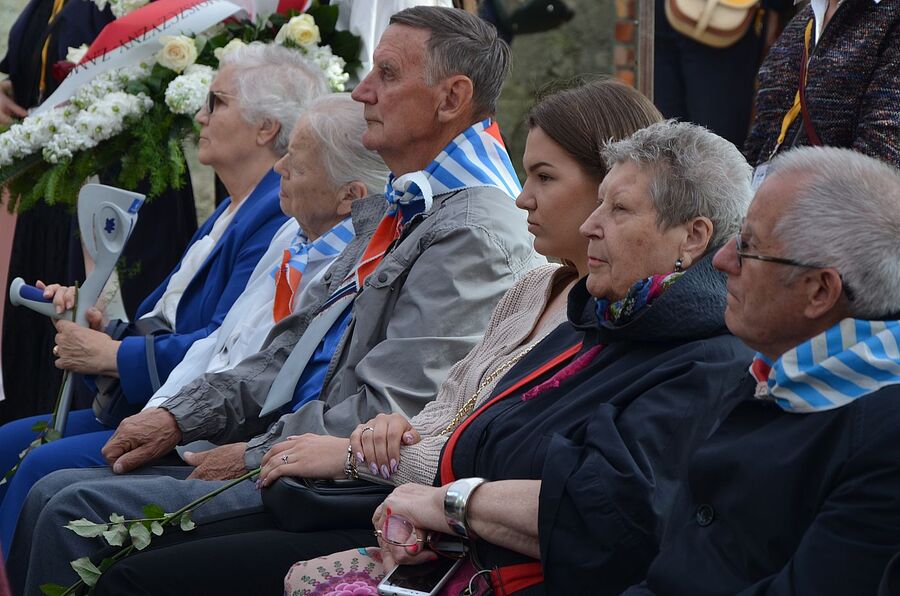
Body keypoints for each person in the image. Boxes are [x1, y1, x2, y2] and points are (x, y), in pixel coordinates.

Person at [8, 6, 540, 593]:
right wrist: (179, 416)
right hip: (298, 461)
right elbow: (287, 350)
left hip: (345, 492)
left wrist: (251, 453)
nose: (362, 91)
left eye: (386, 74)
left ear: (451, 98)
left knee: (69, 508)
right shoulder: (413, 201)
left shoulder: (471, 230)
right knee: (54, 493)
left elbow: (387, 414)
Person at [79, 78, 667, 595]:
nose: (522, 196)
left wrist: (348, 452)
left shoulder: (536, 274)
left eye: (545, 177)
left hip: (429, 524)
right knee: (78, 508)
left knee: (112, 548)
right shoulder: (534, 284)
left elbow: (508, 459)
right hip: (392, 496)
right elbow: (439, 411)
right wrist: (384, 438)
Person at [282, 120, 756, 595]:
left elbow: (602, 514)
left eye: (619, 209)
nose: (590, 225)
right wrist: (423, 498)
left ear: (693, 236)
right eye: (600, 204)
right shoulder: (607, 321)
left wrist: (447, 505)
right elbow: (474, 443)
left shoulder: (705, 361)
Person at [0, 90, 388, 554]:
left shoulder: (314, 239)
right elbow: (218, 338)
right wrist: (109, 337)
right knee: (21, 454)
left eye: (216, 101)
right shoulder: (289, 229)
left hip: (234, 437)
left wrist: (122, 362)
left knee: (52, 486)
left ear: (351, 197)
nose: (279, 169)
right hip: (186, 407)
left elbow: (266, 370)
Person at [619, 146, 900, 595]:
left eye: (748, 247)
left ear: (819, 291)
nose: (722, 260)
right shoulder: (776, 372)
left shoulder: (883, 439)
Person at [0, 0, 198, 423]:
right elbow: (30, 63)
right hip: (56, 176)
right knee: (50, 303)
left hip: (124, 173)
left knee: (109, 304)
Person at [743, 0, 899, 171]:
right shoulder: (800, 24)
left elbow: (879, 163)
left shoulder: (892, 18)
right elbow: (759, 141)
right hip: (770, 185)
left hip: (835, 187)